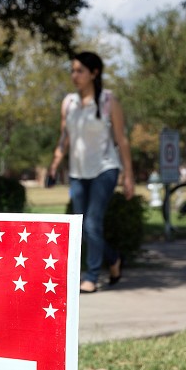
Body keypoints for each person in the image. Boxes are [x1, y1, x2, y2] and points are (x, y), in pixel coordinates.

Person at [49, 51, 134, 293]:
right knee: (82, 226)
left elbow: (122, 140)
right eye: (72, 70)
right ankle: (114, 258)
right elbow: (64, 138)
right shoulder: (69, 103)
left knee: (92, 224)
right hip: (78, 172)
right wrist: (55, 164)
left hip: (104, 169)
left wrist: (128, 176)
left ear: (94, 73)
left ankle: (92, 276)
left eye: (80, 71)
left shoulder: (108, 101)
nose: (74, 75)